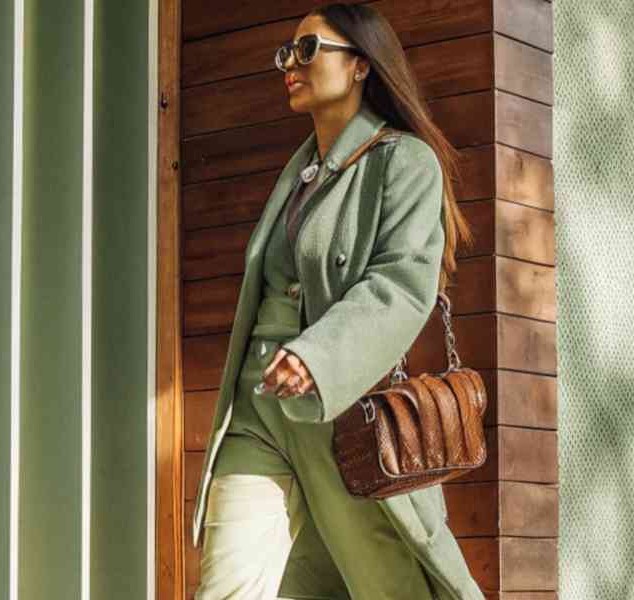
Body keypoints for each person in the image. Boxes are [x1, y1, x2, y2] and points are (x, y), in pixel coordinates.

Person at [187, 4, 484, 600]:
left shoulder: (404, 162)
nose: (289, 66)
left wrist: (316, 358)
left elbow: (401, 283)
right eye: (285, 54)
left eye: (307, 51)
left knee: (385, 584)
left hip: (342, 412)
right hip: (258, 406)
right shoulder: (298, 174)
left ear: (360, 67)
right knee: (226, 585)